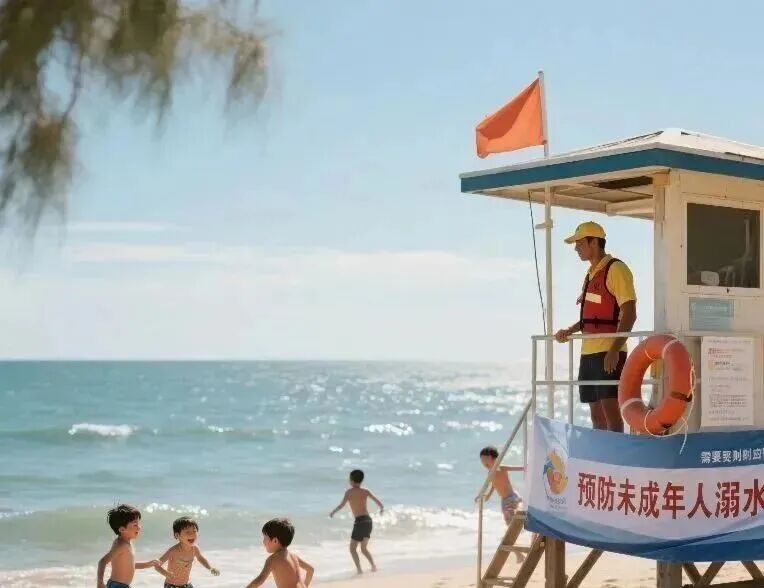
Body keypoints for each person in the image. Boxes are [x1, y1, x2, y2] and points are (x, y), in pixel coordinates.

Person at [555, 221, 637, 432]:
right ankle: (600, 453)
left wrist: (614, 349)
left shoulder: (616, 269)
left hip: (608, 352)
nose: (576, 248)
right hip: (588, 352)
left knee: (611, 413)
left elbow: (630, 313)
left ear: (594, 242)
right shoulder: (590, 274)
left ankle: (615, 452)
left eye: (580, 243)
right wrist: (569, 331)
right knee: (596, 417)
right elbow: (590, 318)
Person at [329, 469, 384, 574]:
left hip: (359, 522)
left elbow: (341, 505)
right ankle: (373, 566)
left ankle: (359, 570)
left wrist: (333, 512)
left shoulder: (349, 493)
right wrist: (381, 509)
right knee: (363, 548)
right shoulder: (366, 491)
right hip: (368, 521)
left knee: (352, 549)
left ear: (351, 480)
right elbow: (379, 502)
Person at [96, 504, 160, 588]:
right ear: (122, 529)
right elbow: (102, 562)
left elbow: (130, 565)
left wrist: (148, 564)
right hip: (117, 586)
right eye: (135, 525)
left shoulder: (128, 543)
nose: (139, 528)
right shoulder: (121, 545)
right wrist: (100, 583)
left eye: (138, 524)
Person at [245, 518, 314, 588]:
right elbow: (310, 569)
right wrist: (305, 585)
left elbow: (257, 582)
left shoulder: (273, 559)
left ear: (275, 541)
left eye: (265, 538)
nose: (263, 542)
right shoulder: (293, 556)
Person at [154, 516, 220, 588]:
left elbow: (201, 558)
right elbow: (157, 565)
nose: (192, 534)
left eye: (194, 531)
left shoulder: (194, 549)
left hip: (186, 584)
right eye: (187, 532)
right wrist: (166, 574)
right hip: (172, 585)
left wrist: (210, 568)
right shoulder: (173, 551)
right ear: (177, 535)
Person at [477, 446, 525, 527]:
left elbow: (517, 468)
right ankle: (515, 528)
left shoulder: (501, 468)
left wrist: (526, 467)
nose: (484, 464)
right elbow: (494, 485)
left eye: (486, 461)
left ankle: (521, 509)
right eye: (482, 461)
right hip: (504, 500)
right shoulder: (490, 473)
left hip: (512, 496)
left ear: (494, 459)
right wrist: (488, 495)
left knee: (514, 511)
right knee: (508, 520)